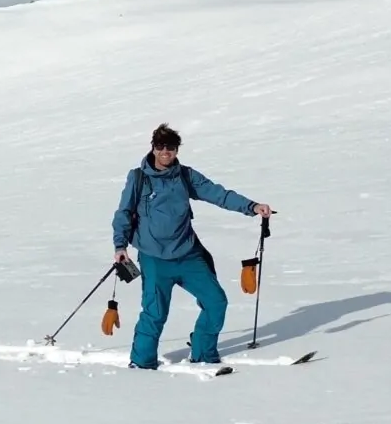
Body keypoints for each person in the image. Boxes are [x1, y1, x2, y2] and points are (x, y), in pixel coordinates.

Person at [111, 123, 271, 369]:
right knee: (155, 314)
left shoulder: (185, 176)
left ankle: (204, 354)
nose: (166, 151)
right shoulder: (139, 178)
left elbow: (218, 194)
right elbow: (123, 213)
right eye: (161, 146)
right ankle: (142, 364)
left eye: (171, 147)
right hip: (155, 259)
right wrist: (120, 246)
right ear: (153, 148)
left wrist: (251, 206)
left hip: (188, 255)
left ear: (177, 150)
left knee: (216, 301)